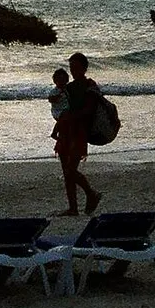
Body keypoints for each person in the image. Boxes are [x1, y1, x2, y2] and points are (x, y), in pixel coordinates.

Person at [51, 53, 102, 216]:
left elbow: (89, 109)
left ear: (84, 68)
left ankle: (91, 193)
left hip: (79, 131)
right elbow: (60, 106)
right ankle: (73, 208)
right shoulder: (69, 87)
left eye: (76, 67)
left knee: (71, 170)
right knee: (66, 171)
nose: (73, 70)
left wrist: (71, 116)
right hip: (65, 131)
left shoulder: (90, 85)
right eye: (71, 67)